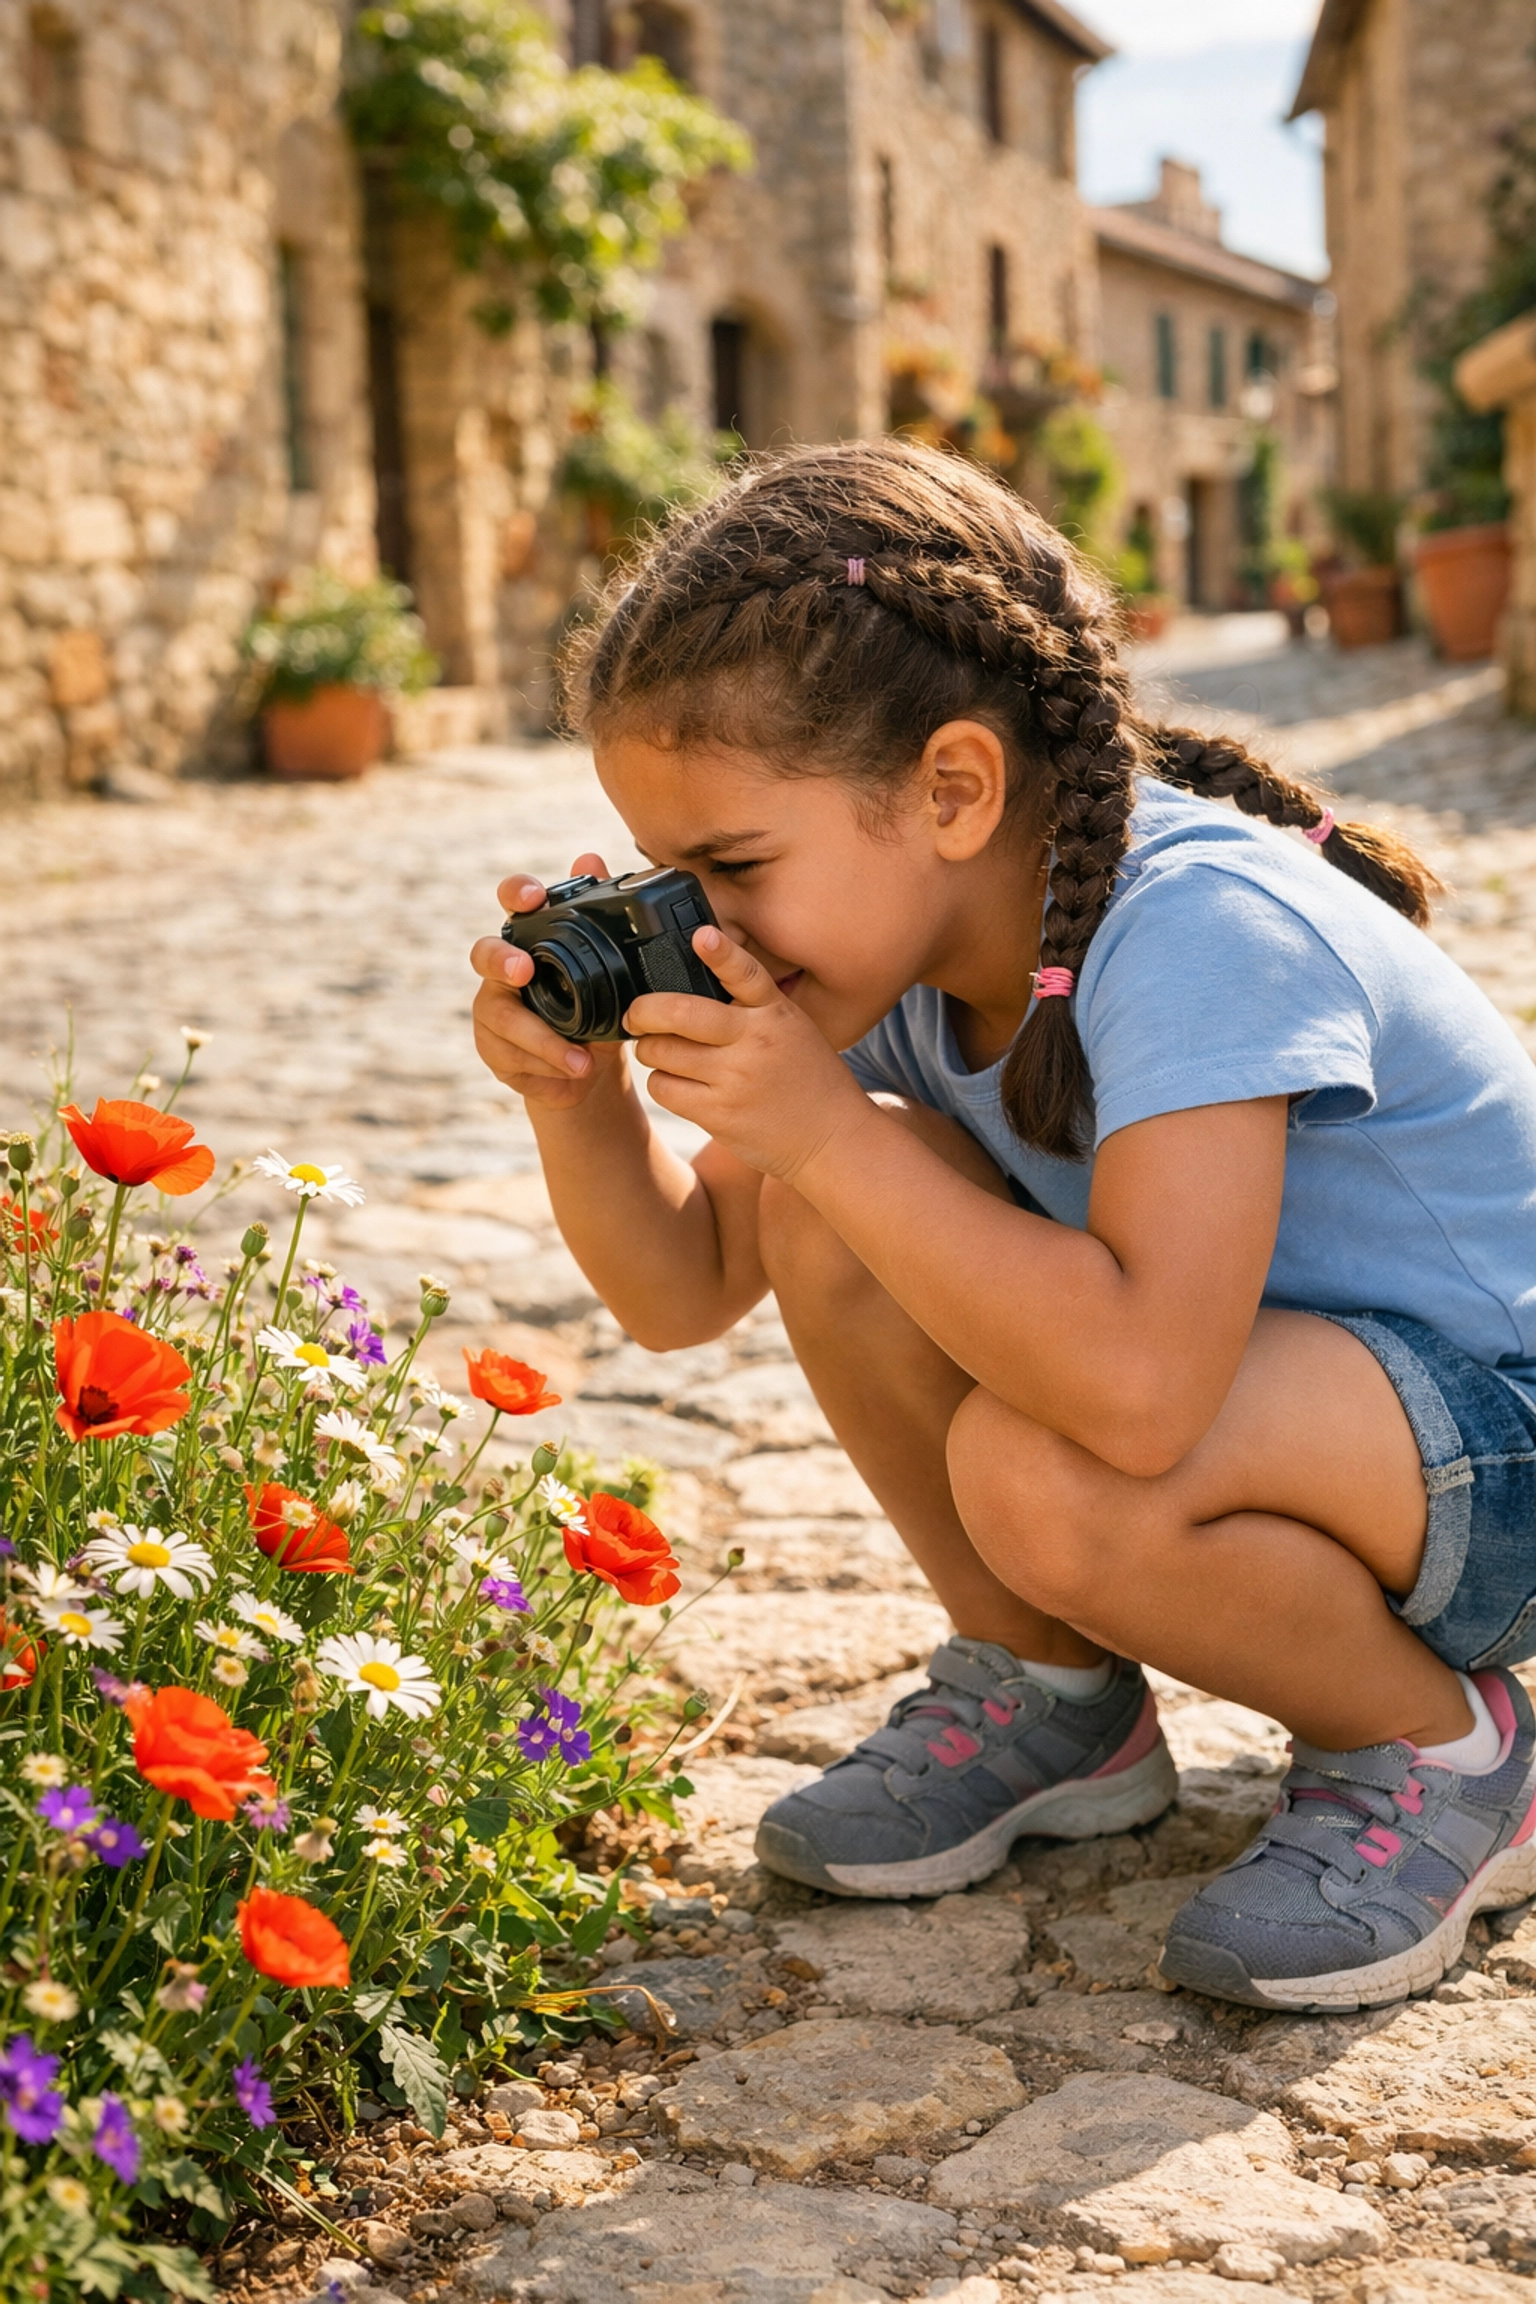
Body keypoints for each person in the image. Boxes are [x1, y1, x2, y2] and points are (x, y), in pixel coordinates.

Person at [469, 439, 1536, 2013]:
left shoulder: (1193, 929)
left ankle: (1451, 1755)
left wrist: (822, 1127)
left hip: (1497, 1462)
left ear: (953, 790)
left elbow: (1141, 1392)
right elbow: (683, 1291)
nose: (699, 920)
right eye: (665, 870)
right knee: (838, 1224)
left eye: (734, 864)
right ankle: (1054, 1696)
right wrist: (580, 1099)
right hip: (1324, 1440)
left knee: (1042, 1466)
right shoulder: (896, 967)